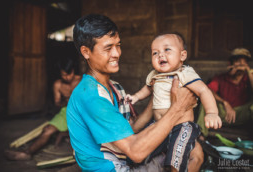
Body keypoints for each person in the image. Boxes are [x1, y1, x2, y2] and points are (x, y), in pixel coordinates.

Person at [67, 14, 204, 172]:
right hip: (114, 168)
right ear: (86, 52)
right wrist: (178, 107)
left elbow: (128, 129)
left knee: (194, 150)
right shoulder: (91, 95)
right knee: (192, 157)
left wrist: (157, 95)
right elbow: (136, 151)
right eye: (108, 48)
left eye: (118, 45)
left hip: (126, 158)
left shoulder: (114, 87)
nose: (117, 53)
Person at [125, 33, 222, 171]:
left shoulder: (185, 73)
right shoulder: (154, 75)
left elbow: (204, 91)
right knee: (143, 148)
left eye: (167, 50)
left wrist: (212, 112)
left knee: (176, 159)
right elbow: (147, 89)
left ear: (182, 55)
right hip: (158, 125)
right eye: (155, 53)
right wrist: (136, 97)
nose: (160, 55)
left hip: (181, 127)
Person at [5, 57, 82, 161]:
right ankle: (27, 153)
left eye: (69, 74)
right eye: (64, 74)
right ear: (60, 73)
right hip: (66, 111)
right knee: (47, 130)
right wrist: (65, 101)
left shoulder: (82, 80)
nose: (67, 77)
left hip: (82, 112)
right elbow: (57, 103)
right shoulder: (58, 85)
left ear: (73, 71)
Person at [197, 47, 253, 137]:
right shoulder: (221, 78)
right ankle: (201, 136)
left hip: (241, 115)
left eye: (244, 62)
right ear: (230, 64)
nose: (241, 65)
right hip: (223, 115)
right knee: (205, 101)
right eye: (238, 62)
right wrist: (224, 103)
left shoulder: (248, 78)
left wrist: (248, 71)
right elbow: (208, 90)